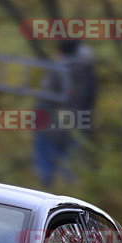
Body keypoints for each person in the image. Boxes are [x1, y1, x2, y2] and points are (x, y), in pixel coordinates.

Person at [32, 40, 97, 187]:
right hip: (77, 126)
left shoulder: (57, 70)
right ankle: (71, 198)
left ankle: (45, 195)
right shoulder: (87, 72)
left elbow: (45, 99)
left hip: (50, 127)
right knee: (71, 168)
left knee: (45, 168)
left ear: (60, 52)